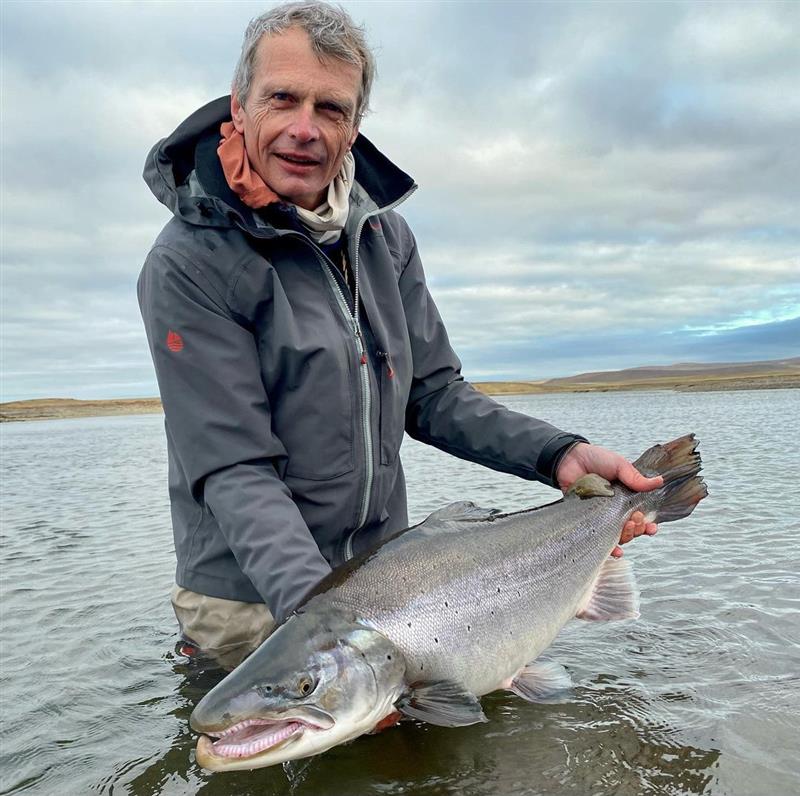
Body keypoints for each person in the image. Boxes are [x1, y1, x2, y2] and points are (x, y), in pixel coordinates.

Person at [138, 1, 660, 671]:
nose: (305, 128)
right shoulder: (188, 261)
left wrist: (558, 455)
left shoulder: (384, 237)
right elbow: (236, 470)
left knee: (426, 764)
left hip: (390, 585)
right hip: (250, 595)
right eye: (283, 99)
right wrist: (327, 636)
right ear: (239, 108)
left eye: (331, 109)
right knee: (251, 758)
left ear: (354, 126)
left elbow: (434, 394)